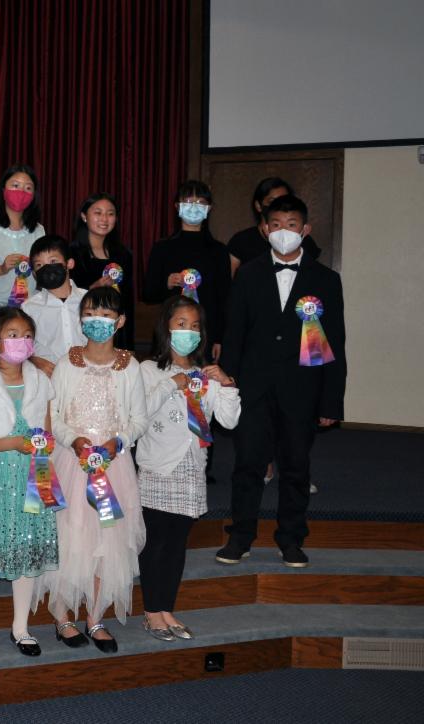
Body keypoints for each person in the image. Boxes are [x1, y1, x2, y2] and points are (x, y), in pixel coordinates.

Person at [217, 195, 345, 568]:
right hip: (253, 388)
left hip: (301, 389)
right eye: (276, 225)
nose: (283, 231)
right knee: (248, 464)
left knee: (295, 466)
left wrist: (330, 400)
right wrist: (227, 381)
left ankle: (291, 539)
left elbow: (332, 342)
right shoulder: (248, 274)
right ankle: (240, 536)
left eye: (291, 224)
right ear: (264, 229)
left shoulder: (326, 279)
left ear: (305, 230)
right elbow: (235, 331)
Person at [44, 287, 147, 654]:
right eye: (89, 313)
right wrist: (73, 439)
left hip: (112, 468)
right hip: (72, 464)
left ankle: (96, 616)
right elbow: (53, 414)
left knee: (108, 539)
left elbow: (138, 419)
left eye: (105, 315)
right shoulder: (66, 363)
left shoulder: (130, 367)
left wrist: (118, 442)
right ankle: (62, 614)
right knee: (70, 535)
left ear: (119, 322)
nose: (96, 321)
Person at [137, 295, 240, 640]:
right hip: (157, 468)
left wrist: (227, 384)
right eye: (181, 324)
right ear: (166, 327)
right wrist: (173, 384)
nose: (188, 332)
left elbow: (229, 420)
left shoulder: (206, 375)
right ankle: (151, 612)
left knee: (177, 543)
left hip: (191, 469)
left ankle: (166, 608)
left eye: (195, 326)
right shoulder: (149, 370)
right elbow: (139, 412)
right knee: (155, 542)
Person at [0, 307, 59, 660]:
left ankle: (21, 627)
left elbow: (47, 433)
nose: (21, 341)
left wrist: (38, 450)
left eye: (27, 335)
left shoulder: (41, 381)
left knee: (27, 544)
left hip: (34, 473)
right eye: (13, 335)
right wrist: (13, 443)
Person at [142, 180, 231, 361]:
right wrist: (166, 283)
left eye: (200, 202)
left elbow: (224, 299)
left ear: (209, 208)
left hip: (206, 333)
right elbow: (148, 294)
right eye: (189, 201)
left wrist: (219, 339)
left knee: (202, 378)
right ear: (177, 206)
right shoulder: (162, 248)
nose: (194, 207)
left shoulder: (219, 251)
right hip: (169, 332)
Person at [70, 193, 134, 349]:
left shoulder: (123, 254)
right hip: (81, 331)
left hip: (117, 332)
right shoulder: (71, 253)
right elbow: (66, 297)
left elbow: (128, 302)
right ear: (84, 216)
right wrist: (91, 289)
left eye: (110, 214)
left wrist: (129, 344)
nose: (104, 219)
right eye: (98, 213)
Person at [0, 164, 46, 307]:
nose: (21, 192)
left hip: (29, 307)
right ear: (3, 189)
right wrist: (1, 269)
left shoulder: (39, 230)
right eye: (15, 185)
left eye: (28, 188)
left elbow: (41, 273)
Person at [227, 177, 321, 274]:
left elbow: (316, 275)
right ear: (258, 206)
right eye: (272, 201)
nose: (279, 205)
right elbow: (230, 278)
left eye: (284, 200)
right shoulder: (242, 241)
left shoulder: (305, 241)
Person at [21, 235, 85, 374]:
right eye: (39, 265)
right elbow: (22, 347)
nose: (46, 268)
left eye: (53, 261)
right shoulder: (28, 308)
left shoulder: (88, 300)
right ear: (34, 273)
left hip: (87, 376)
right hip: (48, 379)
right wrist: (33, 360)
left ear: (69, 263)